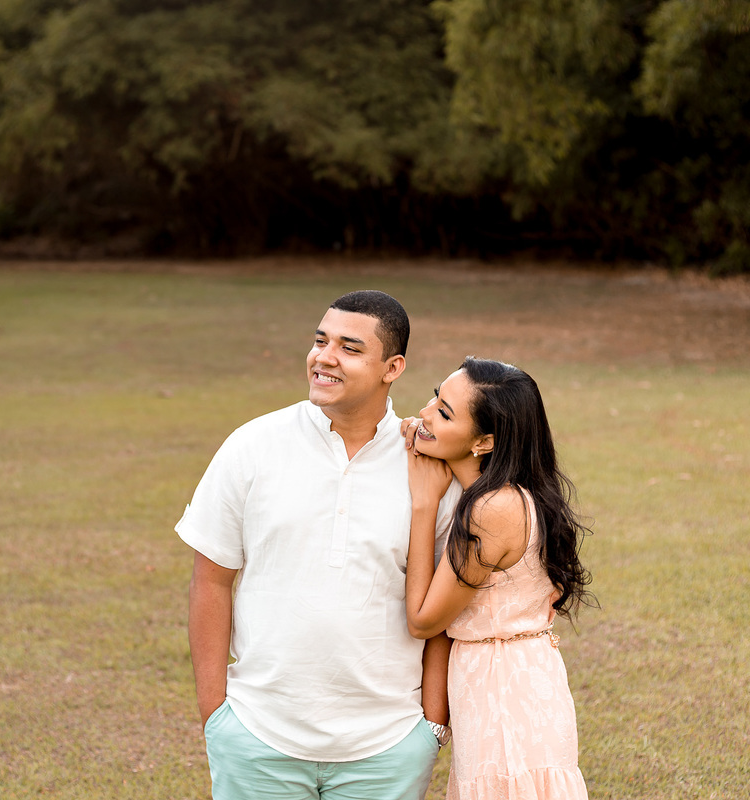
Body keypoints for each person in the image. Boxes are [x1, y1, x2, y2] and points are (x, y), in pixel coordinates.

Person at [176, 290, 460, 800]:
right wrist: (216, 714)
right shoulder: (252, 445)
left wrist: (430, 727)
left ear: (391, 367)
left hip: (388, 747)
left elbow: (443, 610)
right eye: (320, 340)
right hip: (257, 738)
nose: (324, 357)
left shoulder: (429, 467)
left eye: (350, 348)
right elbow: (211, 580)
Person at [402, 357, 593, 800]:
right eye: (435, 397)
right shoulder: (508, 495)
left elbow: (423, 620)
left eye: (445, 413)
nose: (426, 413)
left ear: (484, 441)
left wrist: (423, 503)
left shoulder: (494, 510)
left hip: (505, 690)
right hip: (510, 677)